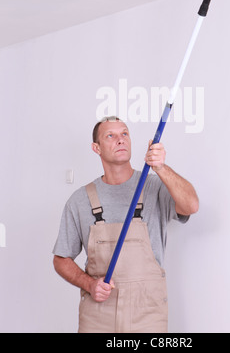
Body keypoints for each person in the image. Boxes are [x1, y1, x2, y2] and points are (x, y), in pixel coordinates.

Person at [53, 116, 199, 333]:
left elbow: (191, 205)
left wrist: (161, 168)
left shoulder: (153, 186)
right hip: (98, 317)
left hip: (148, 314)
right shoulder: (80, 200)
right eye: (110, 136)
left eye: (124, 134)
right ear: (97, 148)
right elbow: (61, 258)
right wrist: (89, 285)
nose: (120, 140)